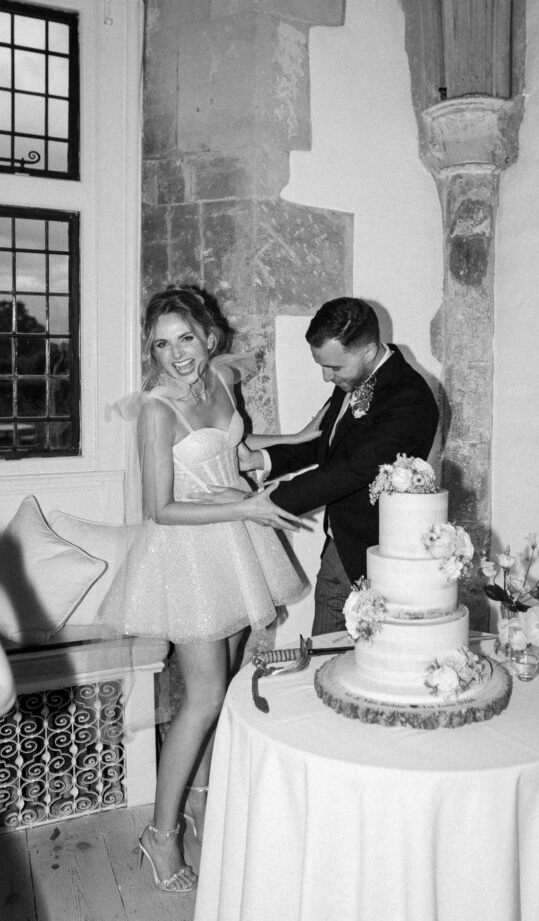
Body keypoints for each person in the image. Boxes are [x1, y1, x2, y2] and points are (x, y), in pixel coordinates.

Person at [99, 284, 317, 894]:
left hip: (233, 545)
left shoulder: (221, 379)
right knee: (204, 698)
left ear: (208, 337)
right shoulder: (156, 411)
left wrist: (302, 436)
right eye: (162, 344)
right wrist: (245, 510)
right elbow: (161, 508)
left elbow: (238, 450)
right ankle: (160, 835)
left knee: (219, 689)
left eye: (185, 338)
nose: (176, 355)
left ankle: (200, 801)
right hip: (191, 552)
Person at [237, 297, 439, 635]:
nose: (325, 376)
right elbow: (325, 443)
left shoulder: (409, 399)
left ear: (369, 351)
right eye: (322, 365)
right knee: (321, 663)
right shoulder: (356, 378)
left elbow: (350, 469)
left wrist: (267, 503)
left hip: (378, 558)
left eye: (334, 368)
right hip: (339, 546)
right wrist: (262, 459)